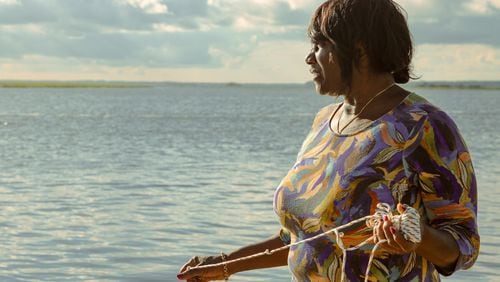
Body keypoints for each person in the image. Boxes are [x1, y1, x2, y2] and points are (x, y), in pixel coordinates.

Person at [177, 0, 480, 281]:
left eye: (320, 44)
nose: (310, 58)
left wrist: (417, 237)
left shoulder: (425, 125)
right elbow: (303, 237)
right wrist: (226, 265)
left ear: (359, 49)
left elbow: (464, 244)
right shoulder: (325, 122)